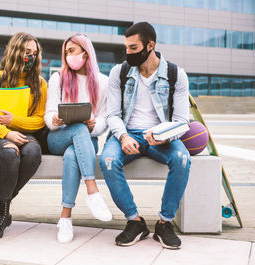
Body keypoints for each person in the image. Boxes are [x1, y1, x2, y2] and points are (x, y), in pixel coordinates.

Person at [99, 22, 191, 249]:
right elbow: (112, 114)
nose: (128, 53)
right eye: (126, 48)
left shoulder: (175, 74)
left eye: (133, 48)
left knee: (182, 159)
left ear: (150, 45)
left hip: (161, 136)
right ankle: (135, 221)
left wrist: (163, 136)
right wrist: (123, 137)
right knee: (107, 160)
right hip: (128, 133)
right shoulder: (118, 72)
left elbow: (182, 121)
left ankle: (164, 223)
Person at [0, 32, 47, 240]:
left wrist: (13, 121)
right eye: (27, 52)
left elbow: (39, 120)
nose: (31, 57)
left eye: (34, 53)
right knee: (10, 153)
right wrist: (6, 133)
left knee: (34, 151)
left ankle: (0, 207)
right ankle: (1, 217)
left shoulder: (40, 84)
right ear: (15, 51)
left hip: (23, 133)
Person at [45, 34, 112, 243]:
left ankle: (65, 218)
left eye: (72, 51)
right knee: (77, 130)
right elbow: (47, 116)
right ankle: (92, 190)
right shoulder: (58, 78)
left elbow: (104, 118)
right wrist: (55, 120)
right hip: (57, 138)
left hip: (85, 140)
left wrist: (95, 125)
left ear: (85, 52)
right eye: (66, 52)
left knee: (74, 153)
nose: (68, 56)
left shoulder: (103, 82)